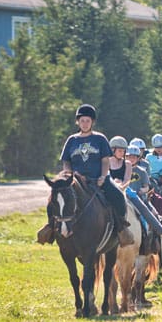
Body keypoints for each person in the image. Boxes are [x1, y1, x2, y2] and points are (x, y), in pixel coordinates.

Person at [37, 104, 134, 245]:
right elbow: (66, 162)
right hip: (76, 181)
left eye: (88, 121)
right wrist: (70, 175)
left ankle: (121, 228)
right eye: (82, 120)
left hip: (98, 179)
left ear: (92, 122)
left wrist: (103, 176)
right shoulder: (72, 140)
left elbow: (105, 160)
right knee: (53, 199)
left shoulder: (100, 139)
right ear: (77, 122)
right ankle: (51, 227)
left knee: (118, 196)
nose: (85, 123)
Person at [124, 145, 162, 237]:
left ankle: (157, 238)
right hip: (124, 197)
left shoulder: (142, 171)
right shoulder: (122, 169)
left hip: (141, 199)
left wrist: (142, 190)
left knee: (154, 214)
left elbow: (147, 187)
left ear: (138, 158)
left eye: (133, 157)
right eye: (128, 157)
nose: (131, 159)